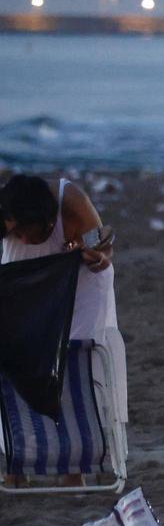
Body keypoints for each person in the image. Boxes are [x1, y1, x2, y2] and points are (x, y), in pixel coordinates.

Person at [0, 175, 126, 477]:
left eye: (27, 231)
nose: (24, 239)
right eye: (14, 232)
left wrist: (96, 255)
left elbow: (104, 245)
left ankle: (75, 463)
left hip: (80, 279)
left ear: (47, 219)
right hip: (22, 276)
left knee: (74, 358)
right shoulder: (7, 216)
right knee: (17, 354)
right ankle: (18, 460)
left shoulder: (71, 202)